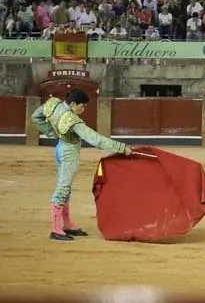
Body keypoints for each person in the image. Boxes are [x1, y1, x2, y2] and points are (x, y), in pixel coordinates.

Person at [31, 89, 133, 241]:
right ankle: (56, 229)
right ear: (72, 103)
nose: (83, 110)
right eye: (81, 106)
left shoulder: (54, 104)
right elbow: (95, 140)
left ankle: (67, 225)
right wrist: (121, 148)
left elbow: (36, 117)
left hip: (60, 148)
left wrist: (52, 132)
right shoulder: (71, 120)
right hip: (69, 153)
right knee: (63, 188)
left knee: (66, 189)